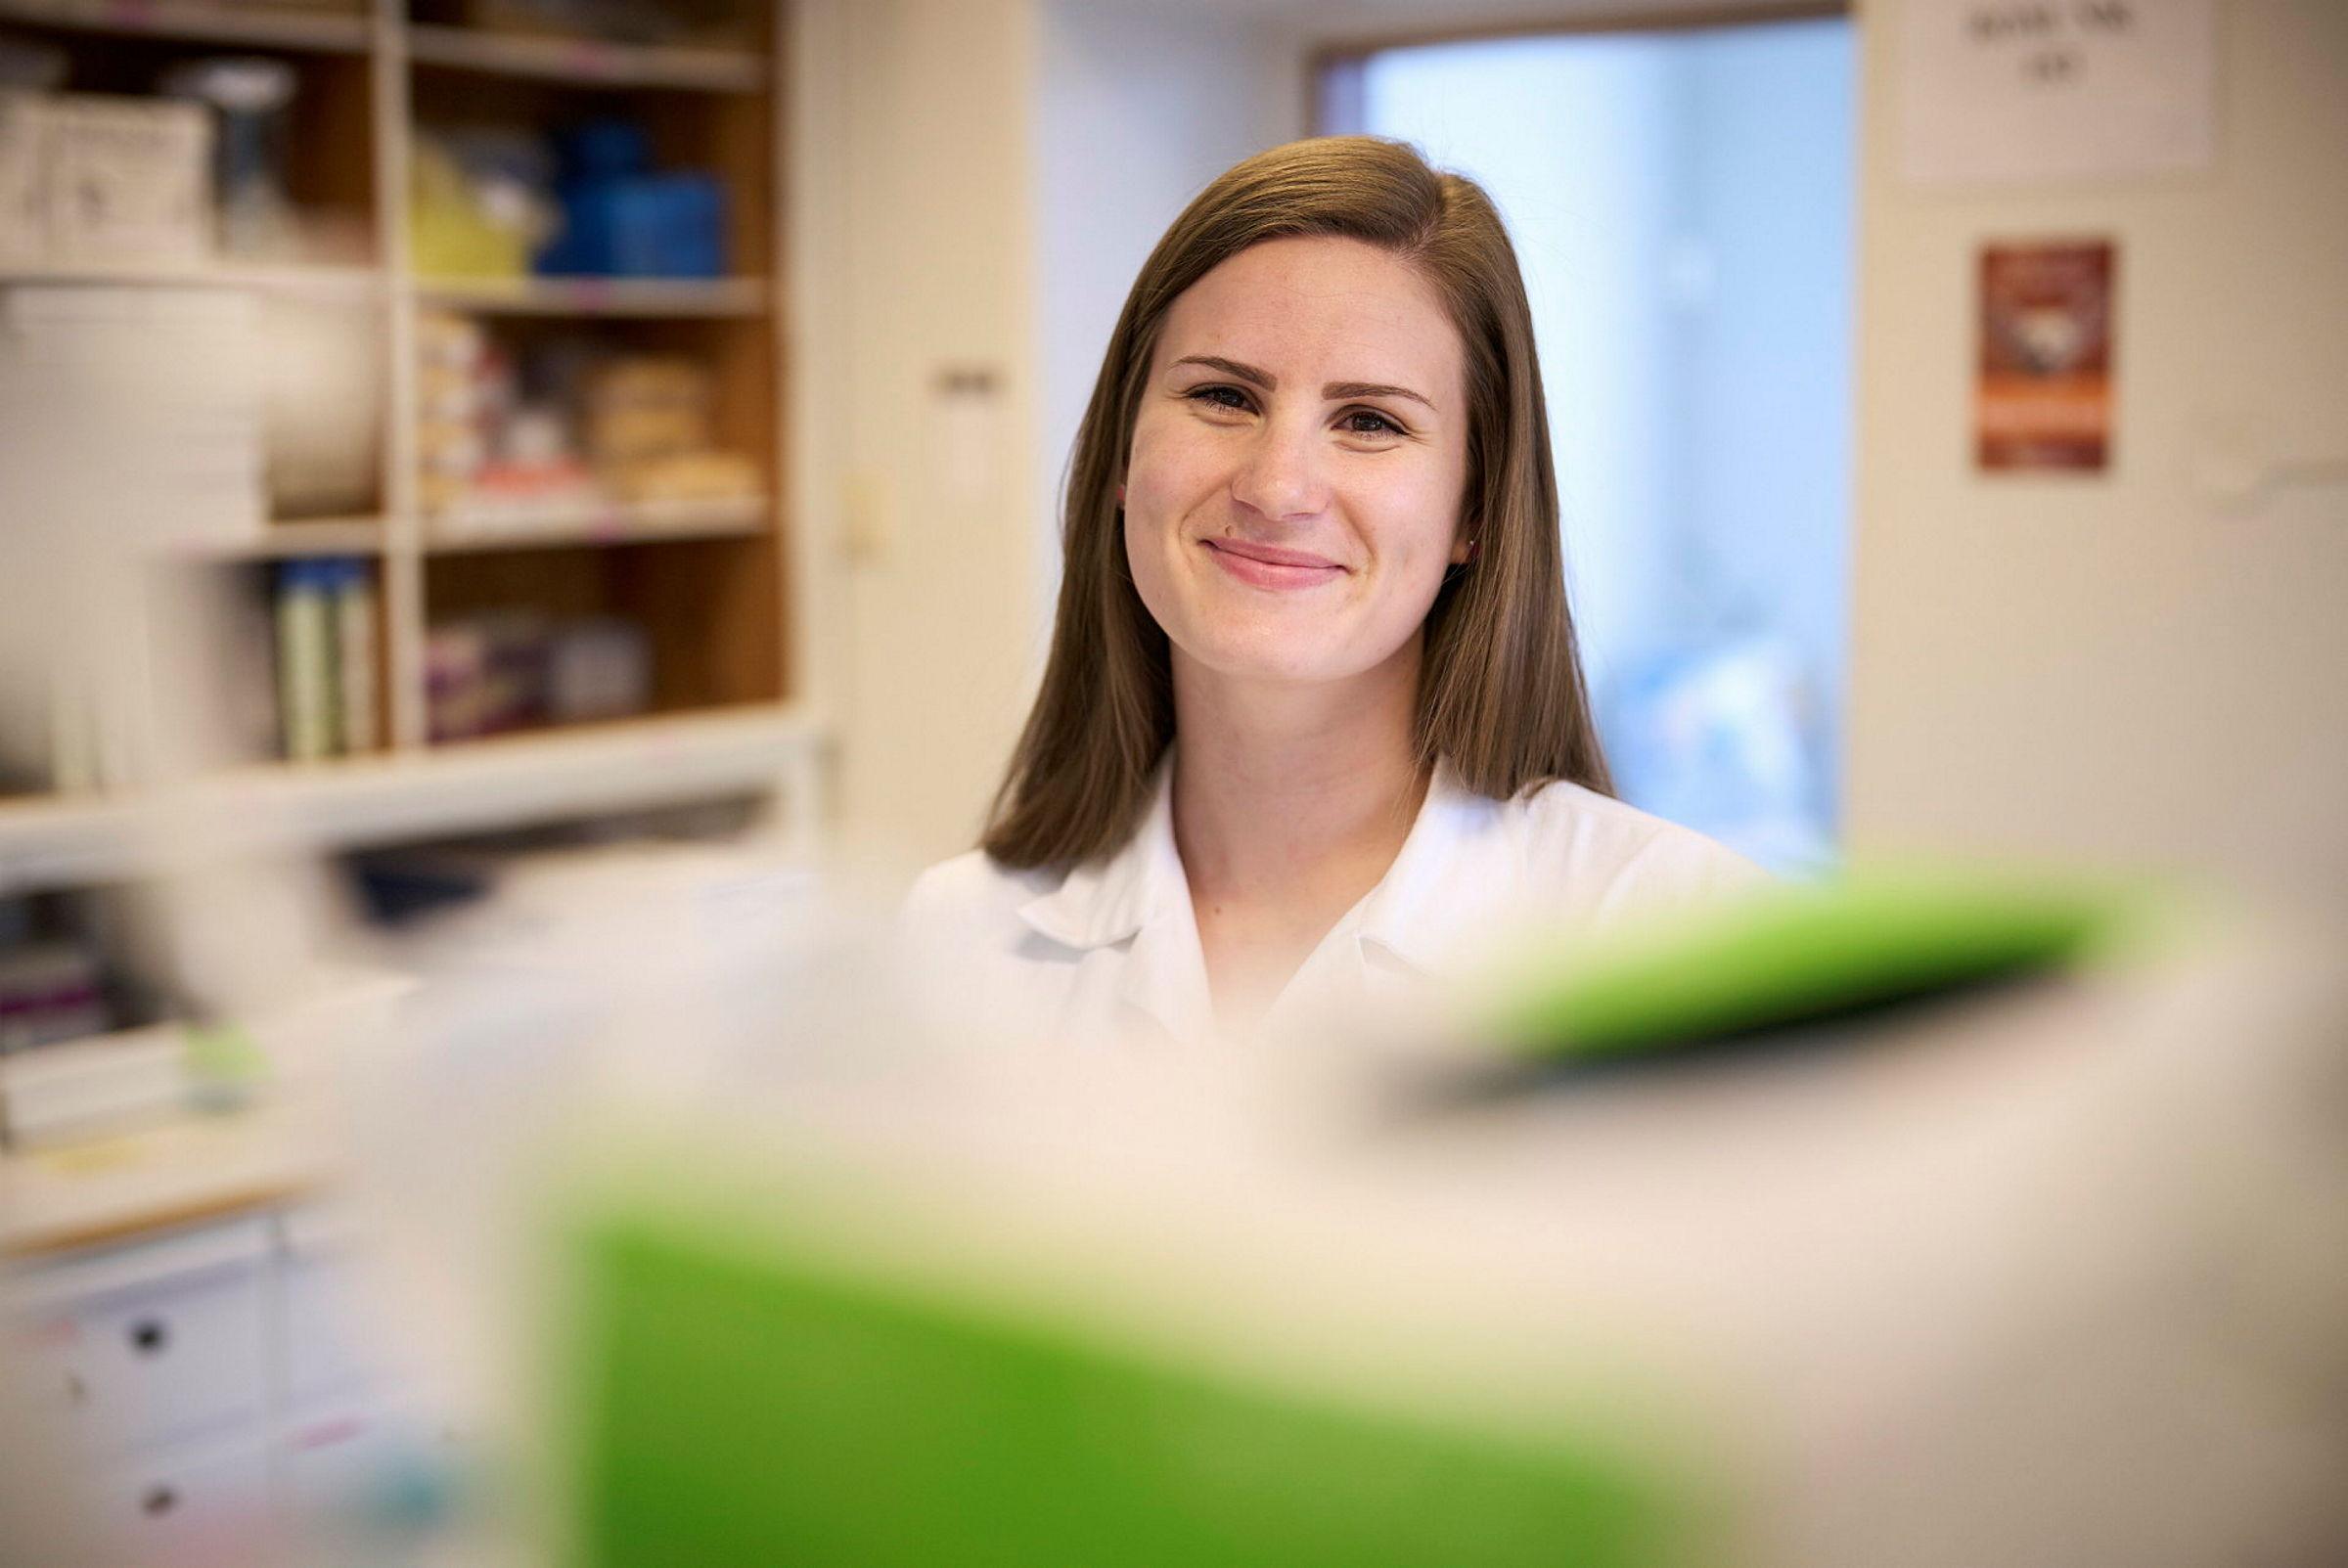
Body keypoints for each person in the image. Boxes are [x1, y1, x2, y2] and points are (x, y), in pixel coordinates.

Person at [905, 136, 1764, 1048]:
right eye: (1225, 398)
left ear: (1476, 509)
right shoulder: (963, 937)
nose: (1277, 487)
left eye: (1369, 421)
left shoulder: (1680, 940)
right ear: (1125, 452)